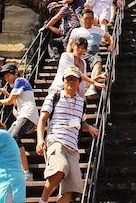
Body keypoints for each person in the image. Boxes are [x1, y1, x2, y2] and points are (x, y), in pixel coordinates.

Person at [36, 66, 99, 203]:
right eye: (68, 79)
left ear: (79, 82)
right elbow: (42, 119)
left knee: (71, 189)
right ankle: (43, 200)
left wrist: (89, 128)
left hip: (73, 146)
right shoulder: (54, 97)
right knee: (60, 168)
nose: (70, 82)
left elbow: (80, 122)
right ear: (63, 81)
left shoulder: (82, 102)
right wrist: (40, 140)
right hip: (56, 140)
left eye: (74, 79)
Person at [0, 64, 39, 182]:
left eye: (8, 75)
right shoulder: (17, 85)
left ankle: (26, 172)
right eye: (5, 77)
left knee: (14, 137)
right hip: (23, 116)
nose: (6, 78)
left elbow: (10, 101)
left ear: (16, 72)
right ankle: (10, 169)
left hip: (27, 115)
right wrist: (6, 94)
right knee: (6, 138)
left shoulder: (20, 80)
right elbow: (16, 102)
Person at [68, 8, 114, 97]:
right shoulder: (76, 31)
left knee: (98, 62)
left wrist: (111, 45)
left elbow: (109, 37)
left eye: (91, 19)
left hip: (93, 54)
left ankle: (92, 87)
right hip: (79, 55)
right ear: (81, 19)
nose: (88, 21)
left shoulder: (98, 29)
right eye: (86, 18)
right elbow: (70, 44)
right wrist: (69, 54)